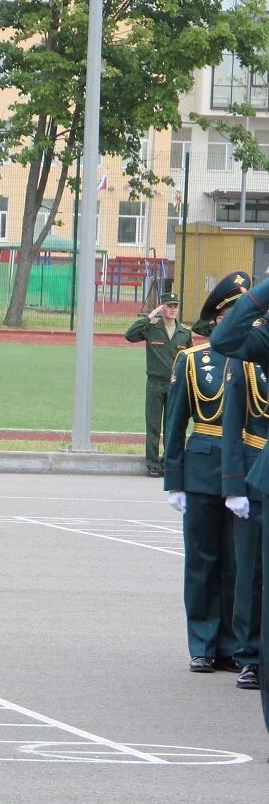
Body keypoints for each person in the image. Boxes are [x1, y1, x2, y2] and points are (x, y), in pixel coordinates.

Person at [168, 275, 249, 674]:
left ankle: (233, 645)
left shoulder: (255, 356)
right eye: (233, 314)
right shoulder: (191, 360)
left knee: (238, 564)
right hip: (201, 468)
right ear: (218, 319)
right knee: (202, 561)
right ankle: (202, 642)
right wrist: (173, 479)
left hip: (244, 472)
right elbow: (176, 421)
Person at [221, 354, 266, 691]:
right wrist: (234, 485)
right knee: (251, 571)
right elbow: (233, 423)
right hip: (255, 473)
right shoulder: (247, 360)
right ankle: (250, 655)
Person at [127, 292, 191, 477]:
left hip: (175, 385)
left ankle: (166, 462)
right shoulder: (152, 327)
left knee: (171, 426)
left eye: (175, 306)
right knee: (153, 426)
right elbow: (129, 335)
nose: (172, 310)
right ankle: (153, 464)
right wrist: (148, 317)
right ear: (162, 307)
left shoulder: (185, 332)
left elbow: (188, 359)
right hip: (155, 384)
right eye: (169, 306)